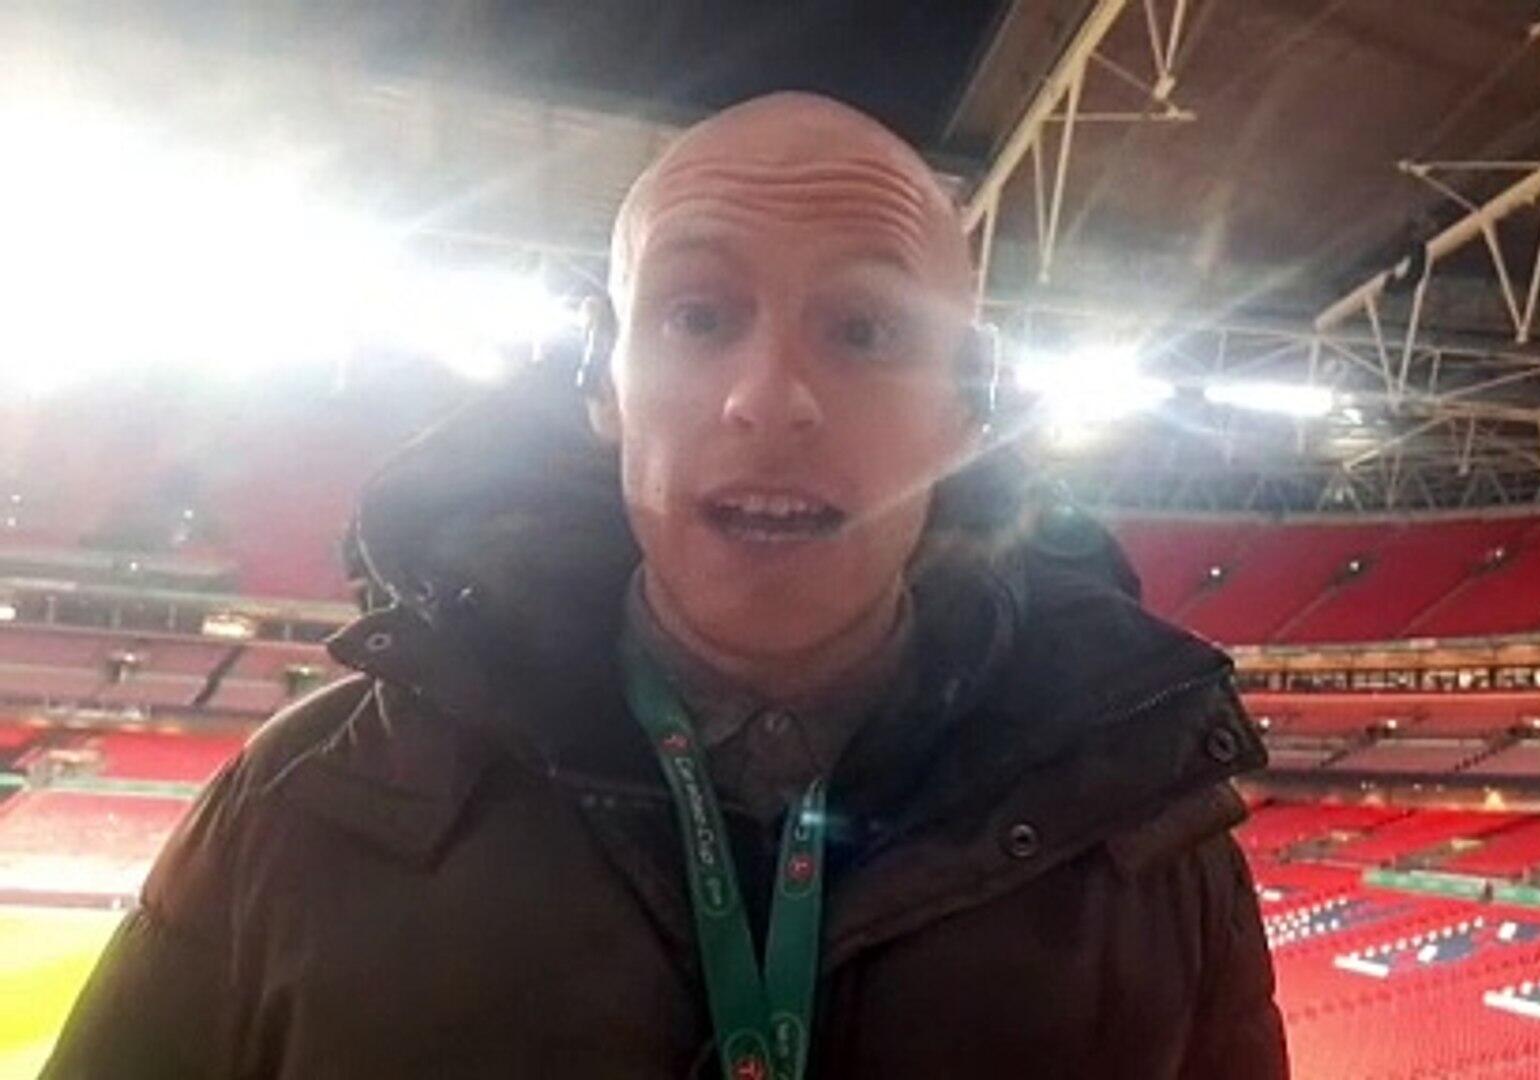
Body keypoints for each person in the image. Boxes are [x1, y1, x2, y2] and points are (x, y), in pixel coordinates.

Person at [45, 92, 1284, 1079]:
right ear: (604, 383)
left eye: (864, 330)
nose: (768, 400)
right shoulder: (307, 800)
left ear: (969, 411)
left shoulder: (1154, 855)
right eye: (698, 317)